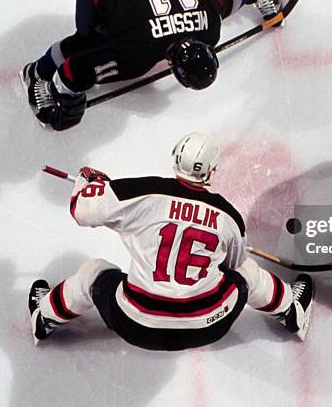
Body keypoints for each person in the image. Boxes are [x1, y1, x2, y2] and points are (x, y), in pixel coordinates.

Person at [28, 132, 314, 350]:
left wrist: (89, 185)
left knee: (93, 272)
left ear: (176, 157)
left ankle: (44, 317)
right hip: (209, 326)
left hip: (135, 325)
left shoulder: (139, 193)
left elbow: (82, 211)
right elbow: (234, 265)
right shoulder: (228, 216)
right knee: (249, 273)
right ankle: (292, 312)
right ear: (211, 171)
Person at [21, 0, 282, 130]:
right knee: (90, 36)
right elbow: (74, 70)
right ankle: (38, 72)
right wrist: (65, 96)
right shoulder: (132, 57)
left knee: (209, 2)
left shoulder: (209, 26)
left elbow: (222, 2)